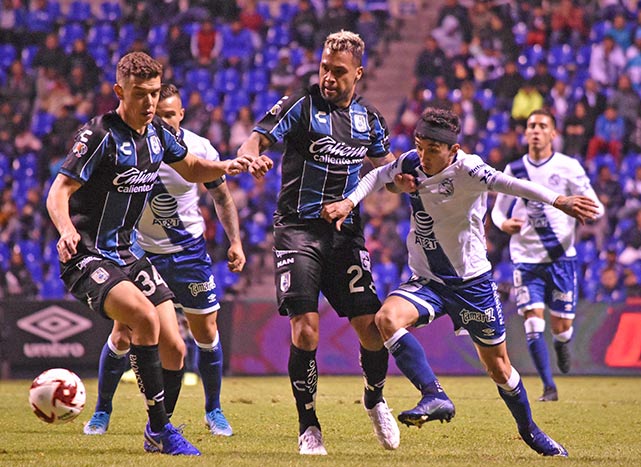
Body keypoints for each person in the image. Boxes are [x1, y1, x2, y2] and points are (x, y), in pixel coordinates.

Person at [321, 107, 600, 457]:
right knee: (386, 318)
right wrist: (349, 202)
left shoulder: (470, 169)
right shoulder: (410, 163)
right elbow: (377, 177)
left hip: (472, 285)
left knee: (498, 367)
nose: (423, 156)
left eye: (432, 150)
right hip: (429, 280)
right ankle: (434, 394)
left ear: (452, 150)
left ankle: (529, 430)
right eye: (420, 146)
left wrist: (559, 200)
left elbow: (511, 183)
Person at [45, 52, 253, 456]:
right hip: (87, 255)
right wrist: (67, 229)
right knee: (142, 319)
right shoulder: (99, 135)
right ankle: (157, 429)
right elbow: (59, 191)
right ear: (120, 92)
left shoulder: (158, 134)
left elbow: (192, 167)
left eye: (155, 93)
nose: (149, 103)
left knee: (175, 348)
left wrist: (228, 164)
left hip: (127, 254)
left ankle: (157, 428)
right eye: (140, 94)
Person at [236, 30, 400, 455]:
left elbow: (389, 171)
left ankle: (375, 397)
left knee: (372, 328)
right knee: (306, 330)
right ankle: (309, 426)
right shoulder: (298, 105)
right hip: (297, 230)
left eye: (338, 71)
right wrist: (251, 155)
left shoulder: (370, 120)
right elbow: (256, 137)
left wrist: (416, 180)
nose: (328, 77)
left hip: (345, 234)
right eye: (324, 67)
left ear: (358, 74)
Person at [82, 83, 262, 437]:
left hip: (188, 254)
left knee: (206, 331)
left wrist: (236, 242)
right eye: (156, 114)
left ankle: (214, 411)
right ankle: (102, 411)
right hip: (140, 253)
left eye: (168, 115)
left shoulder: (197, 148)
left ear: (181, 114)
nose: (159, 120)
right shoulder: (132, 145)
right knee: (122, 331)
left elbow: (223, 198)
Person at [492, 109, 605, 403]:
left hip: (560, 258)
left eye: (543, 126)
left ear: (553, 133)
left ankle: (562, 343)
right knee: (532, 321)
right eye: (531, 126)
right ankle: (548, 386)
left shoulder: (568, 167)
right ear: (526, 133)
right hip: (526, 259)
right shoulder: (513, 169)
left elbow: (596, 206)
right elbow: (497, 210)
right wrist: (503, 224)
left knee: (561, 327)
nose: (536, 130)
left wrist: (590, 214)